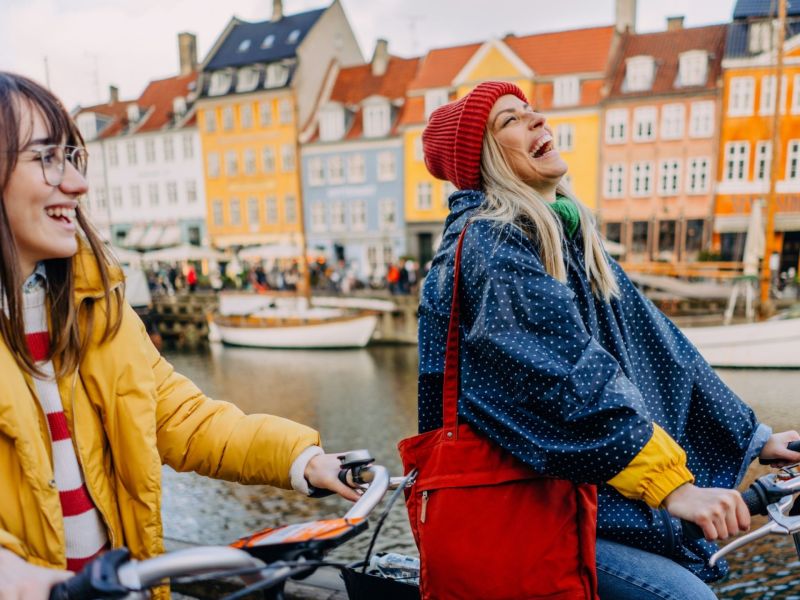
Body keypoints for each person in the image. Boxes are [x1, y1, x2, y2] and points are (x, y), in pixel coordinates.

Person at [417, 81, 800, 599]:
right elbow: (568, 379)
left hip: (571, 491)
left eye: (532, 111)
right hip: (522, 503)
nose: (537, 119)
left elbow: (663, 350)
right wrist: (673, 487)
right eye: (510, 120)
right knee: (687, 597)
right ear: (484, 161)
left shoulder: (567, 236)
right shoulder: (492, 243)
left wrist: (755, 438)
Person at [0, 71, 360, 600]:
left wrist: (304, 460)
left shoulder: (98, 309)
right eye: (46, 158)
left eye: (74, 158)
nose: (76, 184)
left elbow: (183, 419)